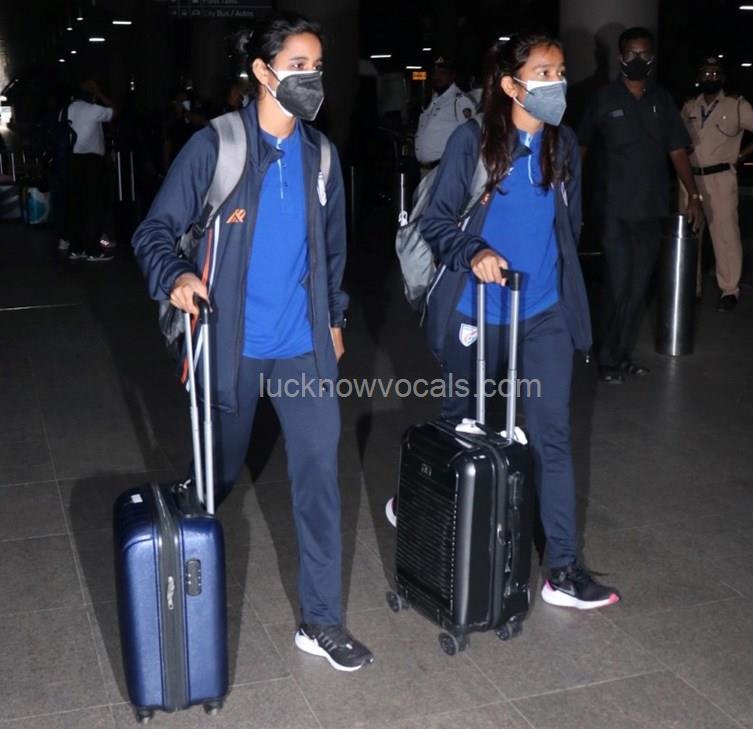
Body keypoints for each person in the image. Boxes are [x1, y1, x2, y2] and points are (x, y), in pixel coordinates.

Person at [132, 12, 374, 672]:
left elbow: (332, 251)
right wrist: (176, 275)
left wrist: (334, 321)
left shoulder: (321, 156)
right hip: (229, 346)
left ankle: (321, 620)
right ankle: (176, 597)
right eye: (298, 66)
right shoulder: (217, 146)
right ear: (263, 72)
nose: (312, 78)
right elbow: (154, 230)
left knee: (319, 478)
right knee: (216, 480)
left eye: (317, 67)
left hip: (302, 347)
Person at [388, 33, 621, 610]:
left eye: (560, 72)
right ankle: (419, 498)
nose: (556, 83)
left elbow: (570, 225)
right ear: (513, 85)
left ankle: (562, 569)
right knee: (461, 425)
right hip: (476, 309)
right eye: (543, 73)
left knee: (552, 436)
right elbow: (438, 221)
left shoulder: (564, 143)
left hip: (543, 312)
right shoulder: (473, 141)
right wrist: (474, 251)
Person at [578, 27, 704, 384]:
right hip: (613, 210)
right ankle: (606, 358)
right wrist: (568, 193)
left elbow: (677, 150)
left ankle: (622, 355)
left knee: (637, 289)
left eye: (644, 54)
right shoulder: (603, 99)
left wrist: (693, 195)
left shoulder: (662, 100)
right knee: (618, 285)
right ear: (620, 57)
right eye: (632, 54)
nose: (638, 60)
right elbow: (581, 147)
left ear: (652, 58)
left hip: (651, 210)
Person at [681, 57, 753, 311]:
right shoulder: (689, 106)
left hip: (721, 178)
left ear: (722, 78)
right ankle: (691, 287)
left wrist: (743, 155)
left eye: (715, 73)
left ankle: (729, 290)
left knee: (725, 235)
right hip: (690, 179)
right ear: (699, 77)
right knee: (690, 234)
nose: (710, 77)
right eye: (706, 73)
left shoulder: (736, 105)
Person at [66, 79, 115, 261]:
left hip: (73, 159)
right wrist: (100, 93)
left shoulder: (69, 109)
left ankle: (75, 248)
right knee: (93, 206)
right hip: (92, 160)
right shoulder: (94, 110)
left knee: (76, 205)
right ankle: (92, 250)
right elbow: (113, 111)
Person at [414, 57, 476, 172]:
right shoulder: (434, 99)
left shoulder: (459, 100)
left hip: (446, 168)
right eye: (435, 73)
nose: (437, 77)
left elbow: (471, 136)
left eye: (442, 73)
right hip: (427, 169)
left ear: (452, 76)